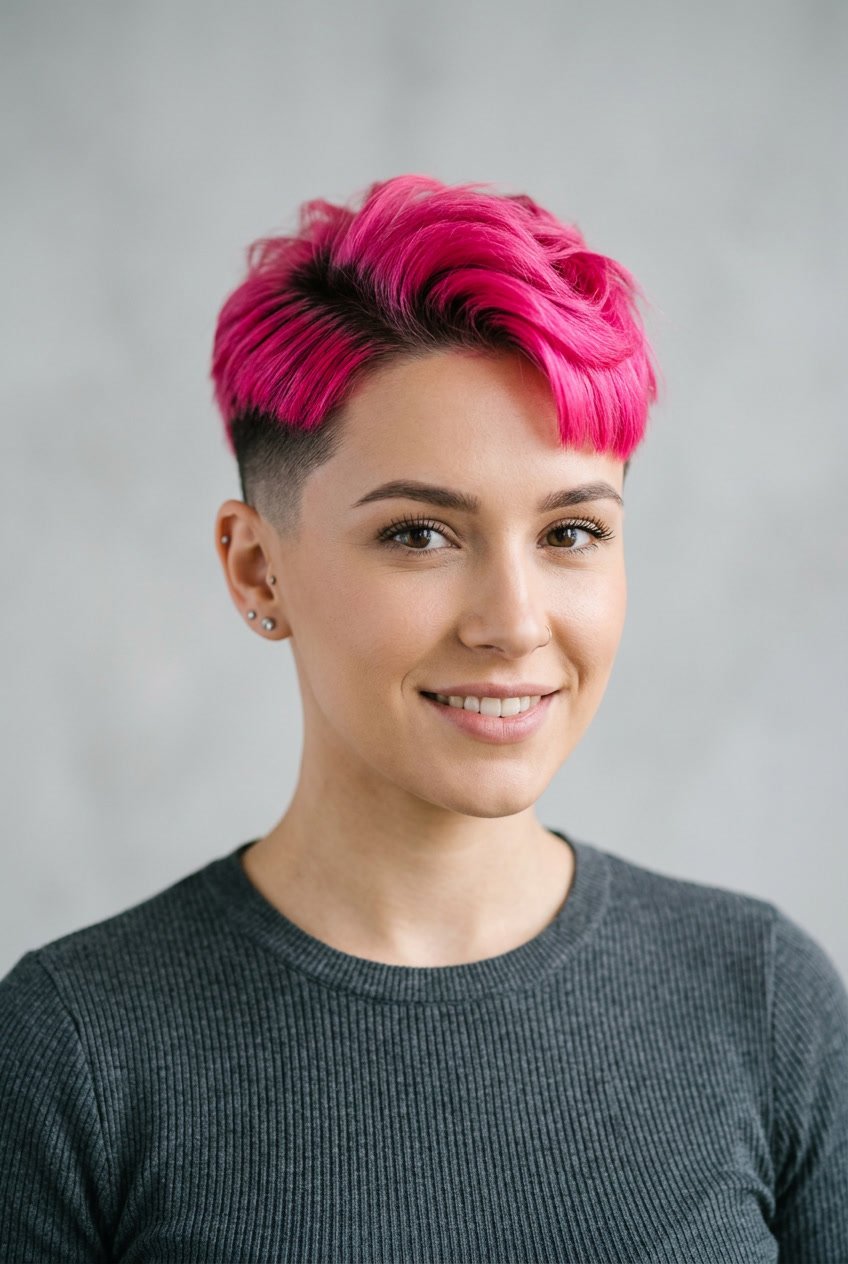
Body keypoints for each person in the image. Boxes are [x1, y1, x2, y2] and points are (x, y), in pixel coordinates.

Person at [1, 174, 846, 1263]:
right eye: (418, 535)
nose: (513, 622)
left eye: (571, 533)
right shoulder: (75, 1049)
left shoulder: (764, 1001)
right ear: (257, 570)